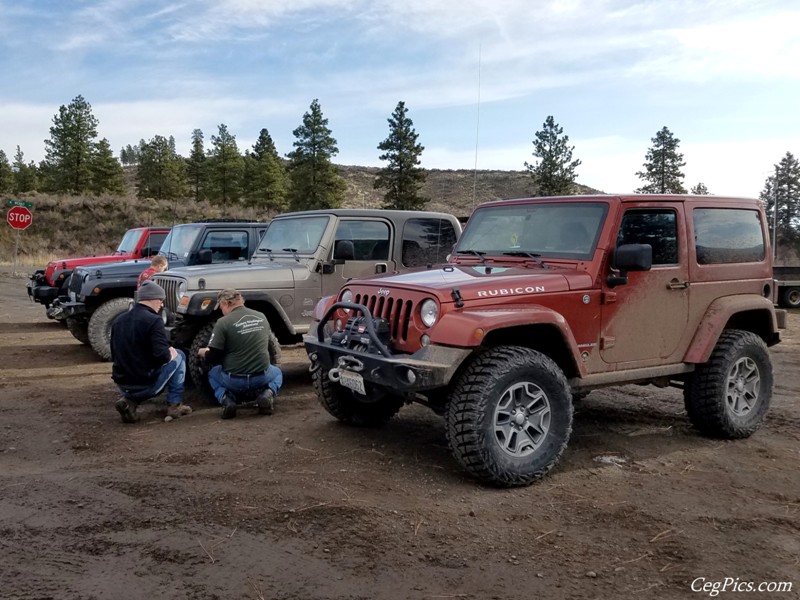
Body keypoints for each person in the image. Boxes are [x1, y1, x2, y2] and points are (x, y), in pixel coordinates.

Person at [110, 280, 192, 423]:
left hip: (122, 383)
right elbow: (161, 356)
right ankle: (175, 405)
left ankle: (129, 402)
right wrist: (170, 354)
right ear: (153, 299)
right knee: (180, 355)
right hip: (146, 383)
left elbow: (114, 352)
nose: (162, 305)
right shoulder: (154, 320)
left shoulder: (118, 320)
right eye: (161, 300)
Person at [198, 288, 283, 419]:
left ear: (226, 303)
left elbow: (213, 356)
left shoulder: (223, 322)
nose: (221, 310)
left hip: (234, 381)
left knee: (212, 374)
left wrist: (204, 352)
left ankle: (226, 400)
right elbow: (265, 344)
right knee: (277, 372)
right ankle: (267, 394)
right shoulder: (261, 316)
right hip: (261, 377)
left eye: (221, 307)